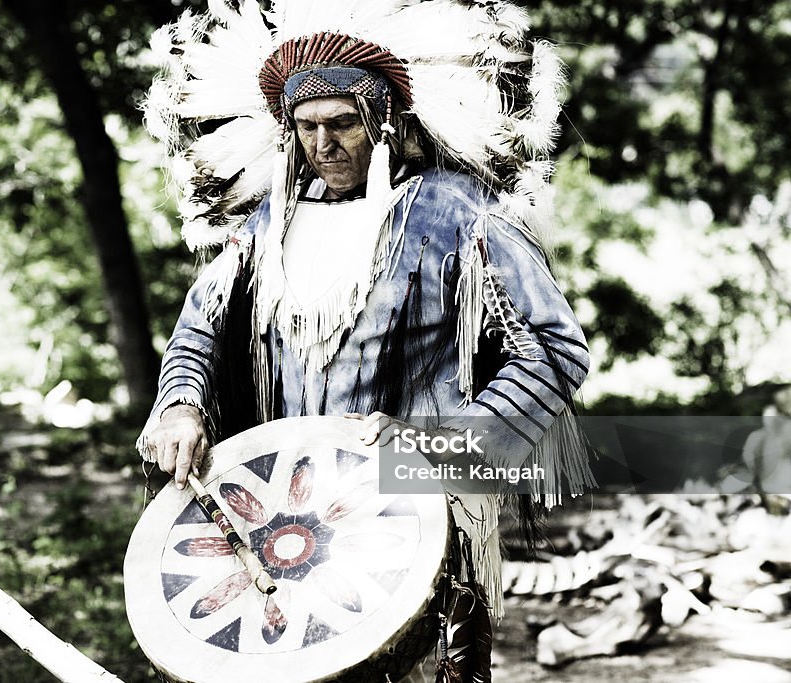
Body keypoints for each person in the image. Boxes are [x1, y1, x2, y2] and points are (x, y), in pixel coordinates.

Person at [138, 1, 592, 678]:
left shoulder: (455, 211)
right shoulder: (266, 229)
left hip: (414, 515)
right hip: (285, 517)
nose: (325, 145)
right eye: (308, 127)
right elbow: (199, 331)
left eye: (343, 123)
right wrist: (180, 404)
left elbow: (553, 349)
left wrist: (441, 445)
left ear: (385, 122)